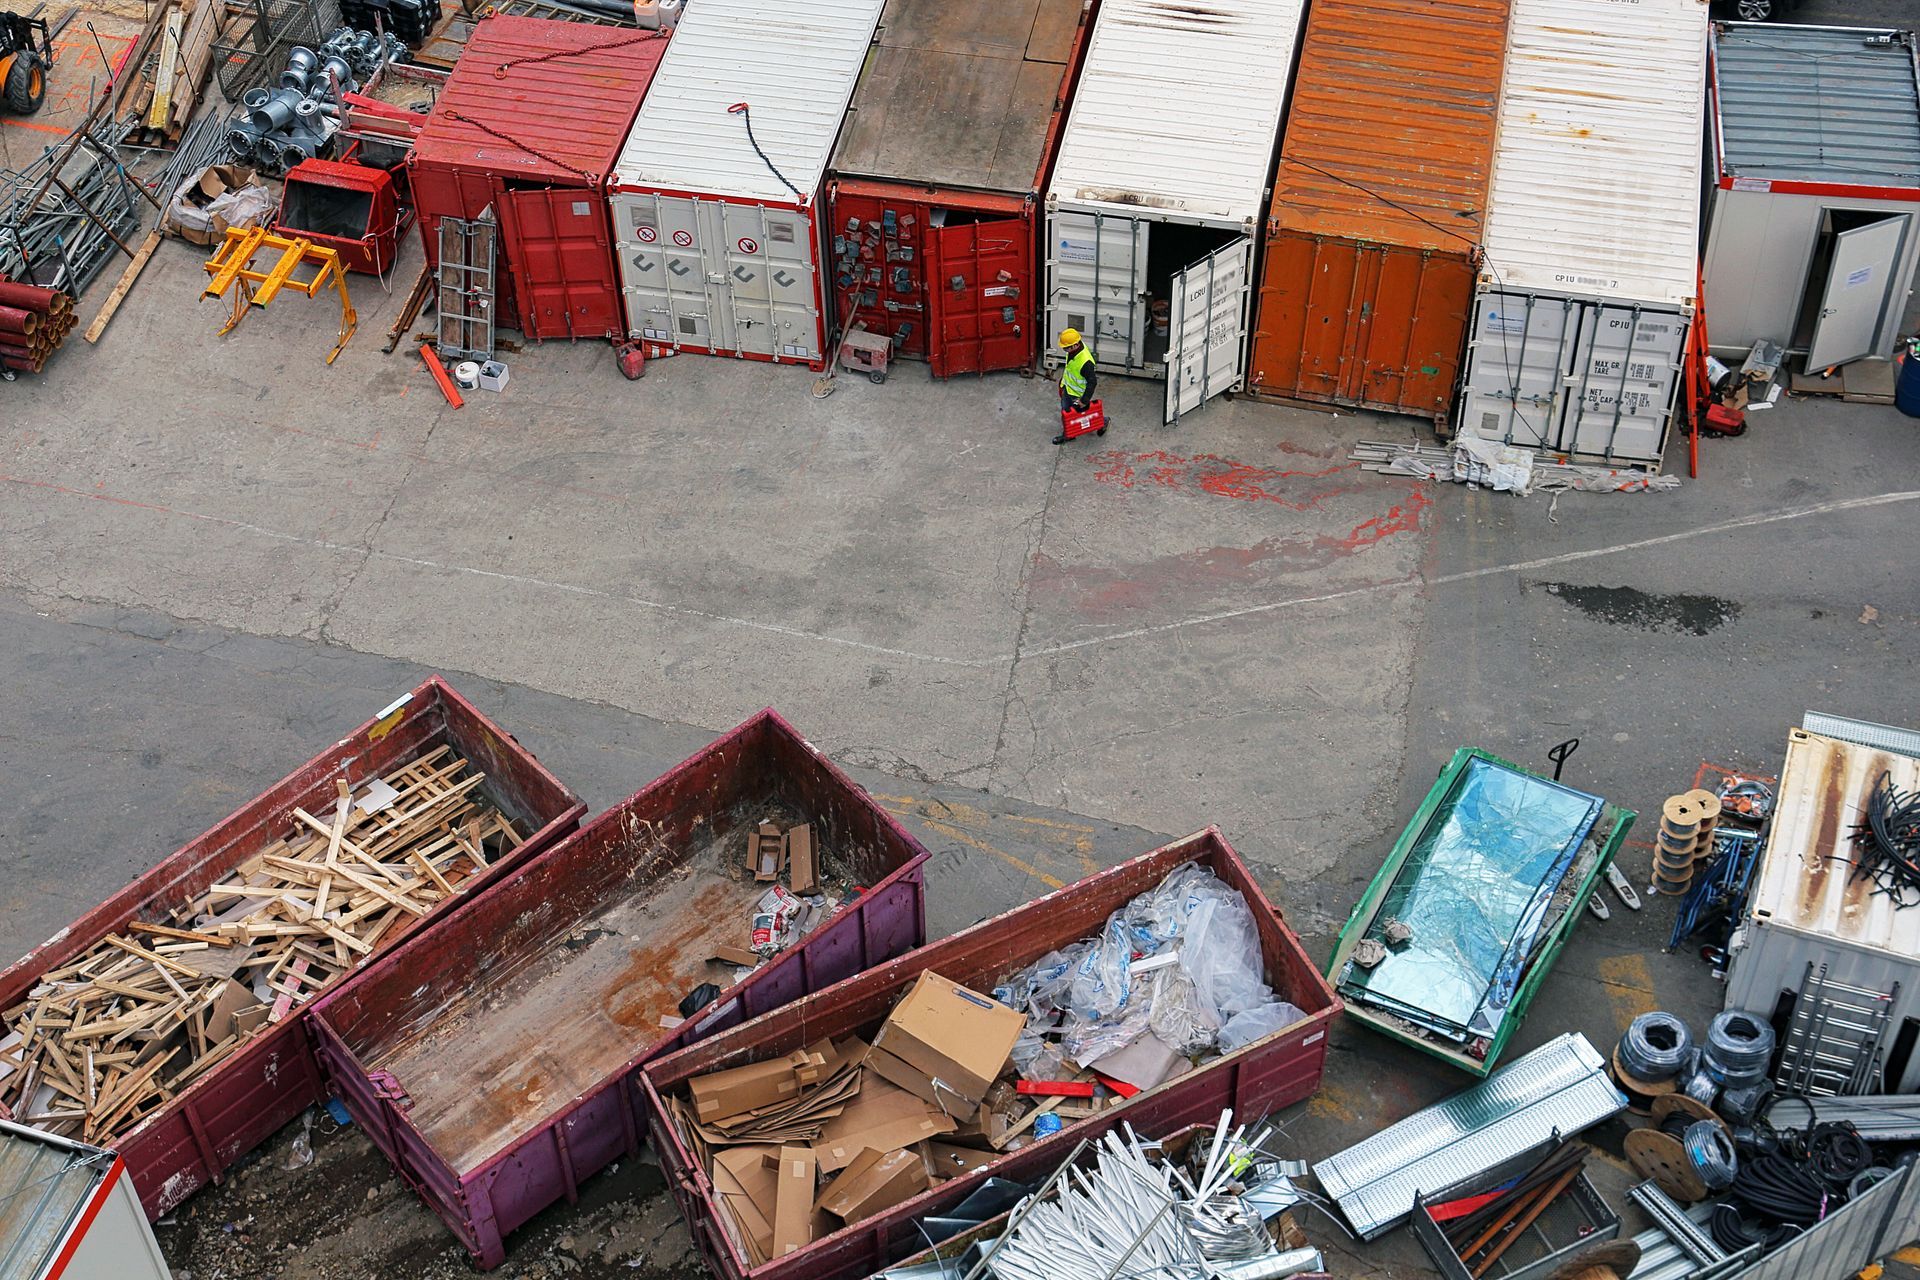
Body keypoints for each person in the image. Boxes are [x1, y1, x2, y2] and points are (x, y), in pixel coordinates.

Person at [1054, 328, 1097, 445]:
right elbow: (1070, 369)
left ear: (1075, 345)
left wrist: (1084, 400)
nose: (1064, 350)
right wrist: (1063, 383)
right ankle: (1069, 434)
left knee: (1085, 416)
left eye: (1065, 347)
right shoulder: (1073, 351)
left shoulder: (1085, 362)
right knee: (1066, 413)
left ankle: (1103, 422)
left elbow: (1092, 382)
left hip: (1078, 396)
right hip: (1068, 390)